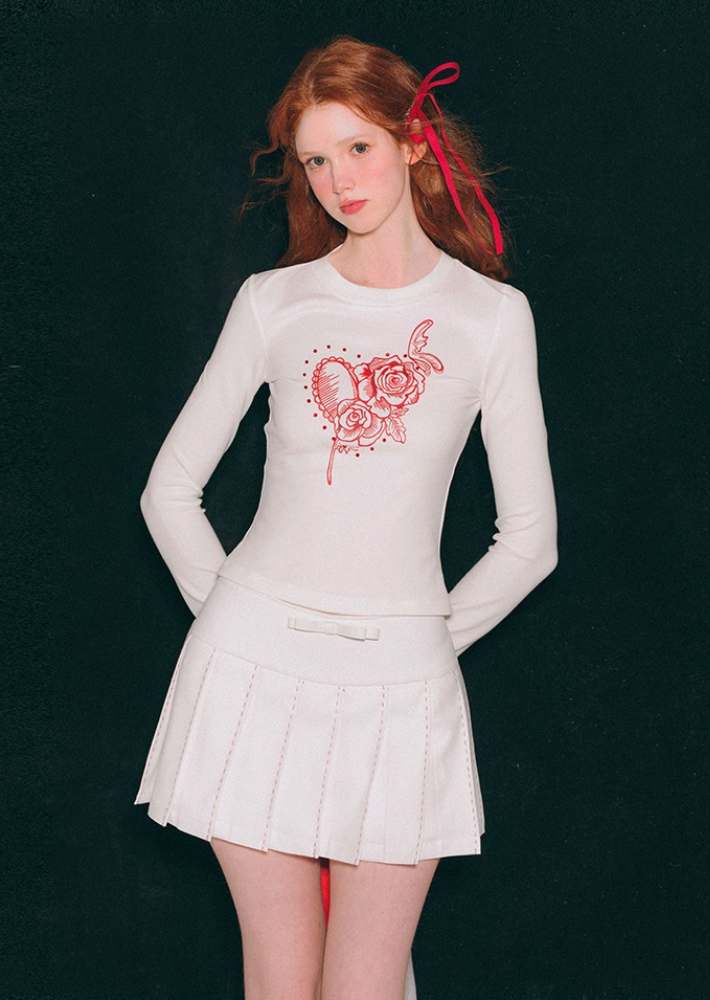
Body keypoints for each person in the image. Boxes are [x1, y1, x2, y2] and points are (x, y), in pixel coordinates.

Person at [132, 34, 558, 1000]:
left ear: (412, 141)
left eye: (357, 148)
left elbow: (531, 541)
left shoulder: (492, 317)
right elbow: (168, 491)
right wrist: (239, 622)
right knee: (280, 984)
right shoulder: (275, 302)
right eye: (316, 160)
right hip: (250, 670)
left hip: (401, 684)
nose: (338, 181)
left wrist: (417, 637)